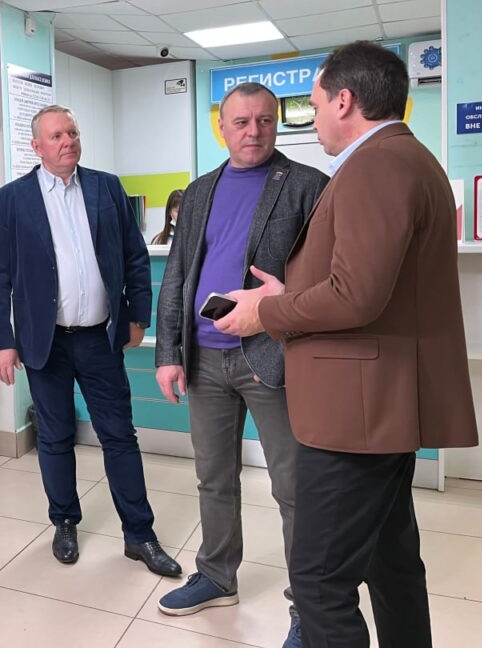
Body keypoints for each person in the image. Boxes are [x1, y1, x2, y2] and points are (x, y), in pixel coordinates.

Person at [217, 41, 478, 648]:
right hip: (379, 406)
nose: (312, 122)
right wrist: (293, 290)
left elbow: (356, 297)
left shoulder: (376, 166)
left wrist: (266, 311)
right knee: (391, 564)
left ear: (344, 100)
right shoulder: (406, 158)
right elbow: (372, 284)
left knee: (318, 583)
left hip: (355, 416)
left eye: (313, 107)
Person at [153, 83, 327, 647]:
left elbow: (329, 278)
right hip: (204, 359)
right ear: (222, 128)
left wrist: (280, 303)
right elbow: (178, 273)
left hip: (271, 356)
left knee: (293, 487)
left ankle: (311, 608)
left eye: (264, 120)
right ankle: (216, 576)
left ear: (277, 123)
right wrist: (168, 353)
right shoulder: (199, 190)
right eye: (242, 122)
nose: (254, 131)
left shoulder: (307, 185)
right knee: (214, 478)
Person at [0, 104, 181, 577]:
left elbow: (134, 256)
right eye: (56, 135)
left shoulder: (106, 187)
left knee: (119, 436)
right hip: (45, 342)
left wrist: (138, 315)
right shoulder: (13, 199)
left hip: (99, 338)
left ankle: (140, 534)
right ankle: (65, 523)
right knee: (55, 437)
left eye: (72, 132)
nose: (67, 141)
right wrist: (0, 341)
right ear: (37, 146)